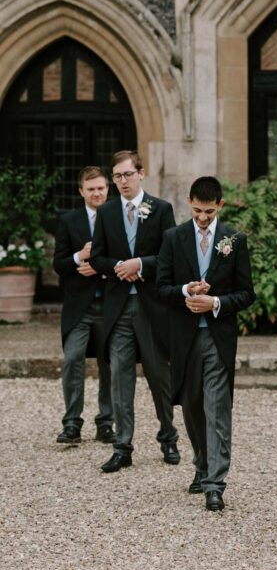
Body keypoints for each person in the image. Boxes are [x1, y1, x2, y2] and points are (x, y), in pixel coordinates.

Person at [157, 176, 255, 513]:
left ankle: (215, 483)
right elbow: (161, 288)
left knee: (217, 407)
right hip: (184, 338)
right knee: (191, 404)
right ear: (189, 203)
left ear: (221, 206)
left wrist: (214, 303)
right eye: (197, 211)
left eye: (209, 212)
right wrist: (186, 291)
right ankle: (201, 464)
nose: (202, 218)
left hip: (217, 336)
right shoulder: (173, 238)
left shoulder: (234, 240)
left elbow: (247, 293)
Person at [91, 150, 179, 472]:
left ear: (141, 173)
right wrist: (117, 266)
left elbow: (170, 257)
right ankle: (122, 446)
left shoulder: (160, 209)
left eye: (128, 174)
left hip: (150, 306)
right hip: (117, 308)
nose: (123, 181)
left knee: (158, 375)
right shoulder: (107, 212)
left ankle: (168, 437)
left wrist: (140, 264)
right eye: (117, 176)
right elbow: (97, 257)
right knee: (119, 378)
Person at [52, 166, 114, 446]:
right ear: (81, 192)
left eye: (101, 188)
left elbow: (127, 258)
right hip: (79, 307)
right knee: (72, 359)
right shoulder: (67, 221)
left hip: (111, 304)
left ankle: (106, 423)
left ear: (107, 189)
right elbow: (59, 264)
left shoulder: (118, 217)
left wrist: (100, 269)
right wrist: (81, 256)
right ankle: (72, 423)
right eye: (91, 189)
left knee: (110, 365)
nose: (97, 193)